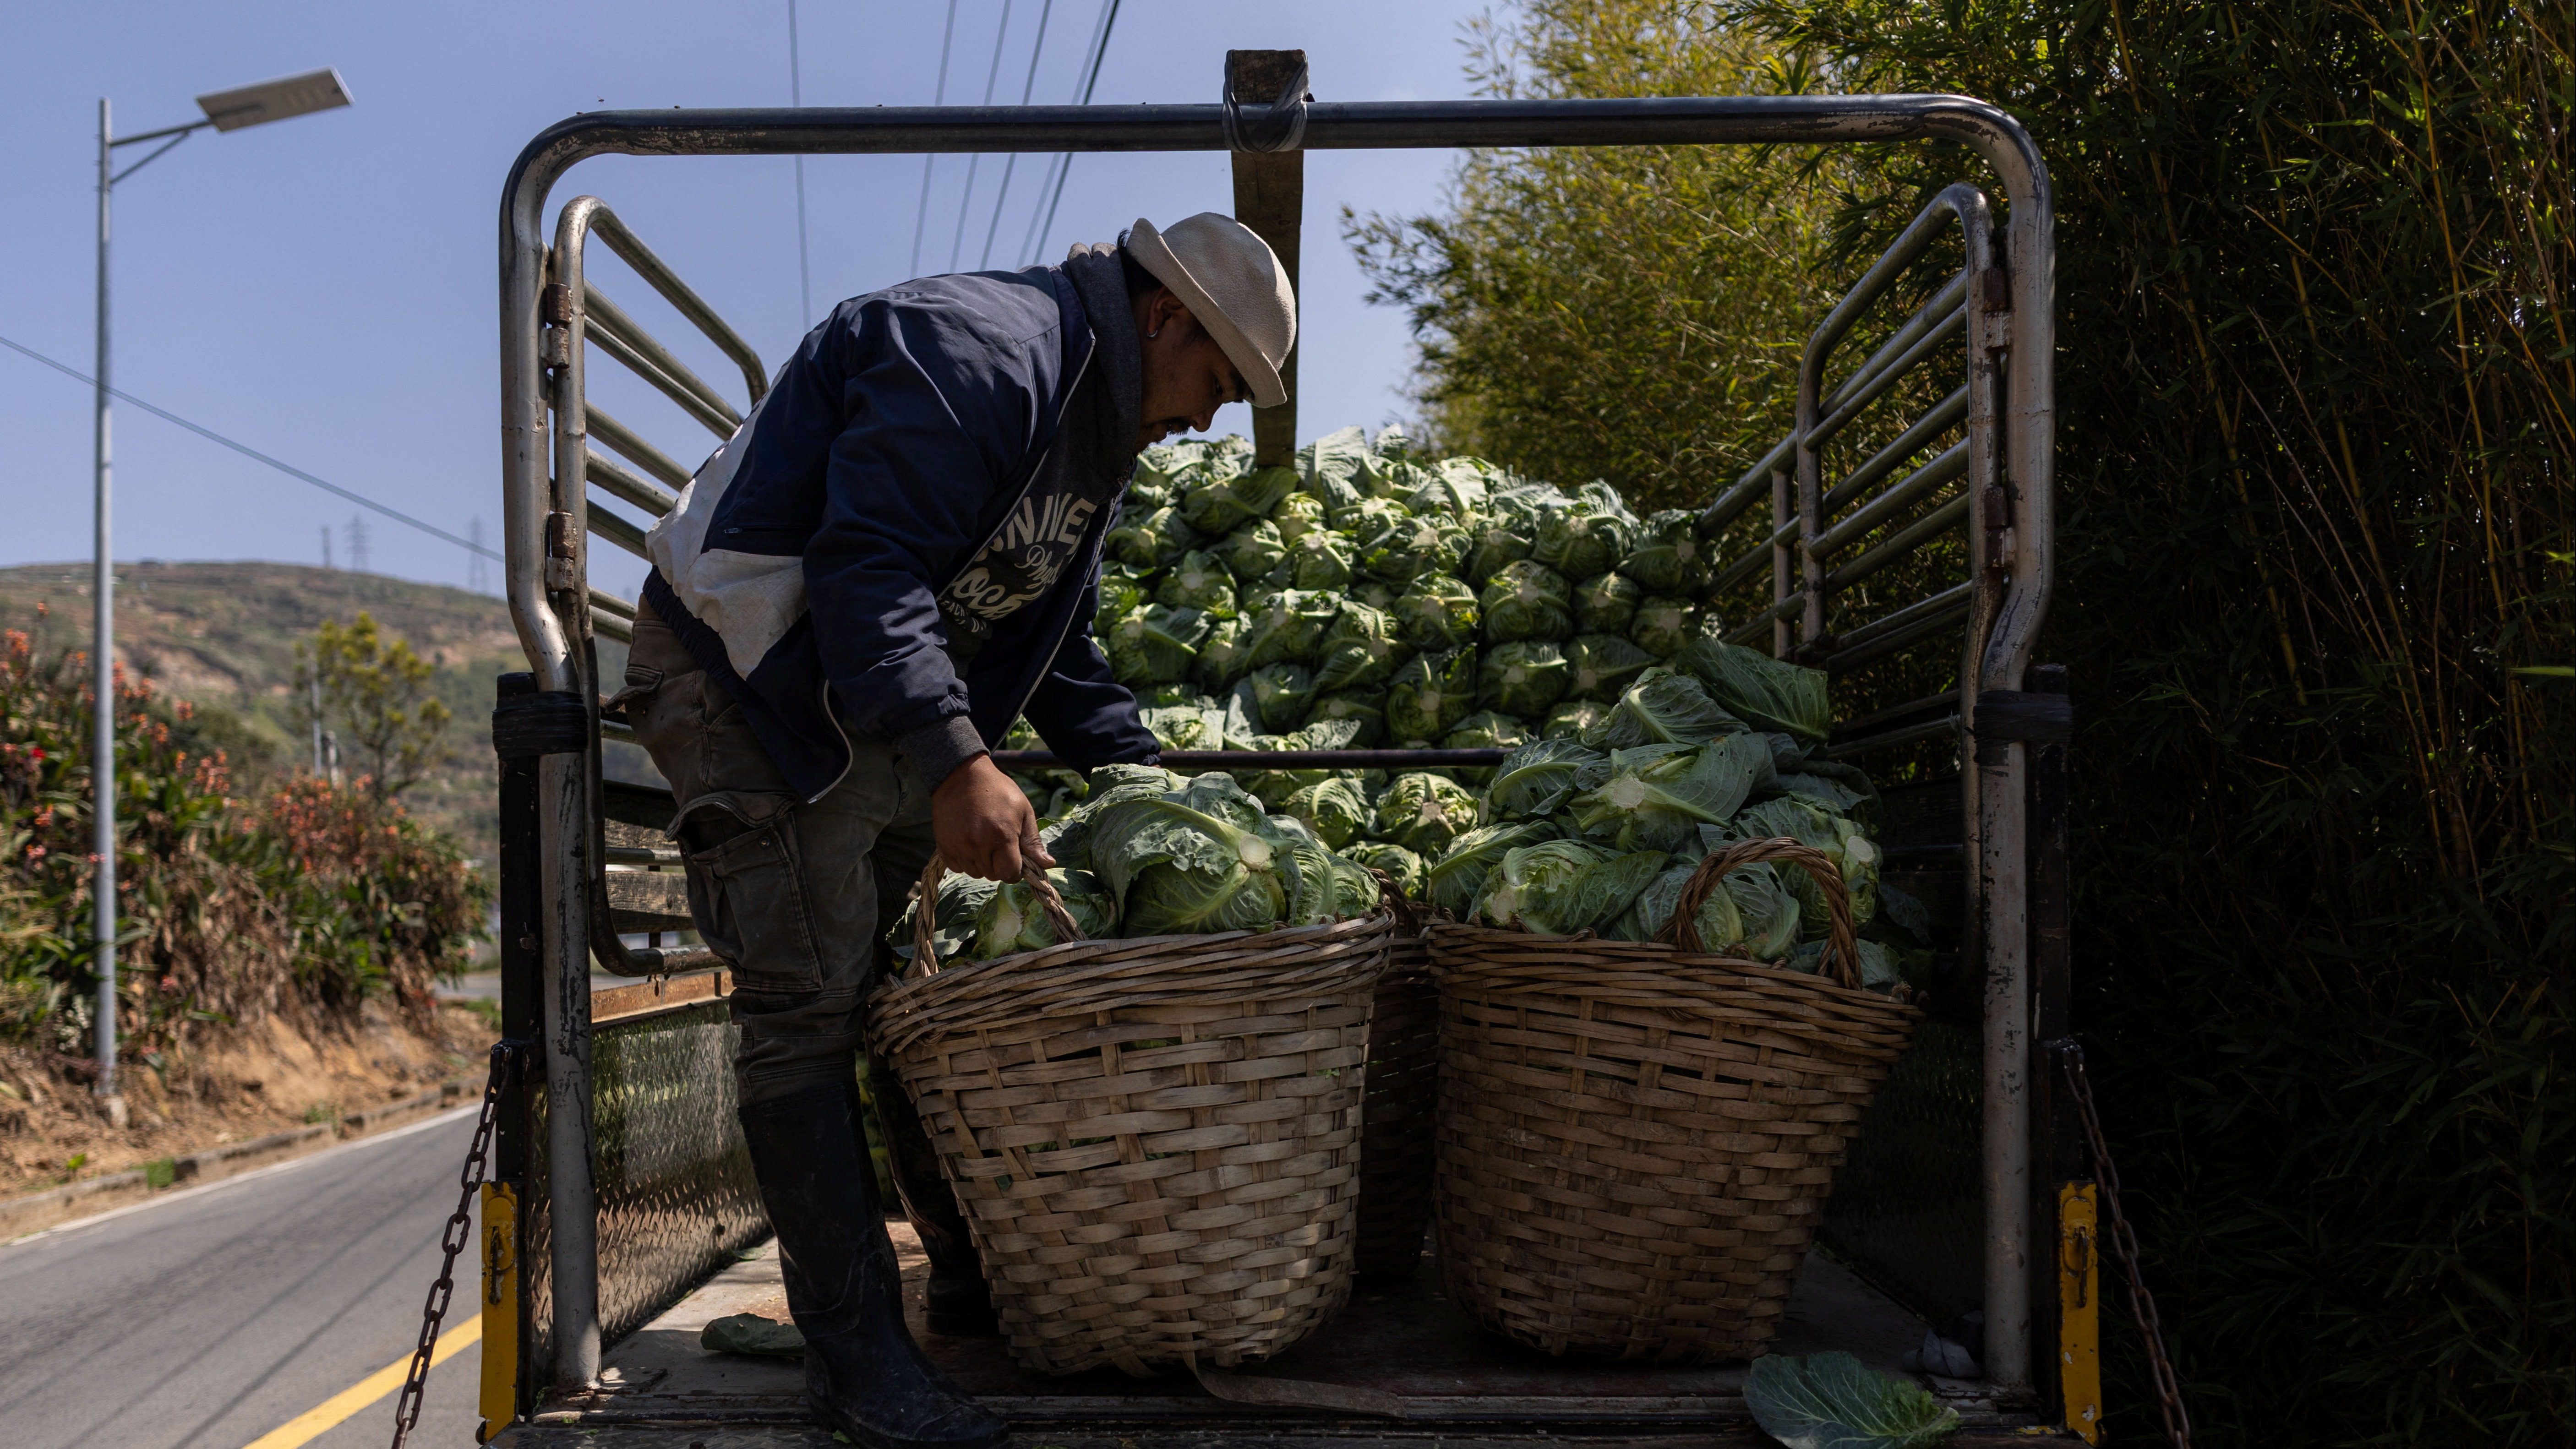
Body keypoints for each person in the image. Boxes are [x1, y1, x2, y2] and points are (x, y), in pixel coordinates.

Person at [617, 213, 1296, 1449]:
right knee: (807, 1005)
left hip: (849, 687)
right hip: (746, 675)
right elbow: (867, 568)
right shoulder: (980, 353)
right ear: (1166, 317)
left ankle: (970, 1273)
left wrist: (1162, 792)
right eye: (1216, 382)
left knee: (894, 994)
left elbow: (1054, 641)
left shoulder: (1095, 430)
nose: (1207, 418)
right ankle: (858, 1362)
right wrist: (959, 762)